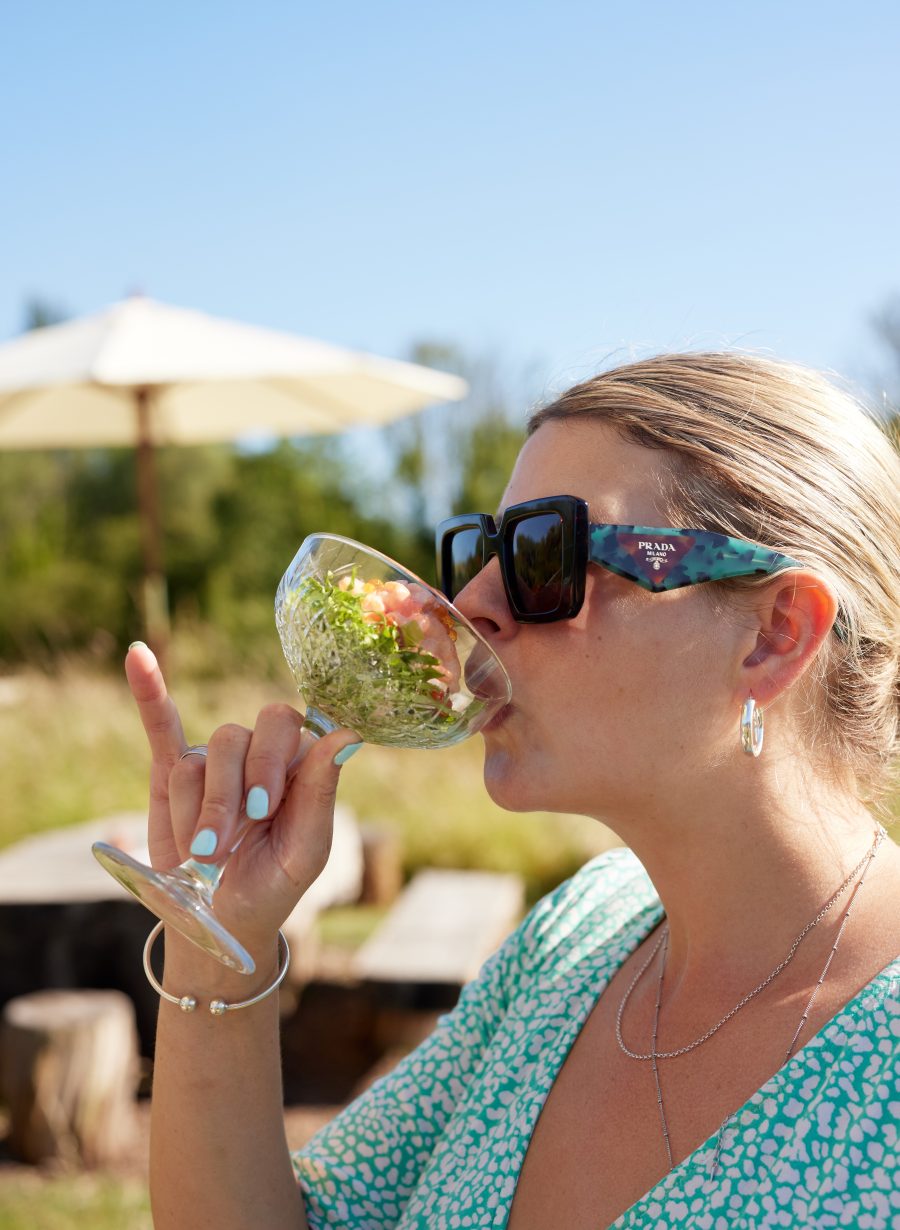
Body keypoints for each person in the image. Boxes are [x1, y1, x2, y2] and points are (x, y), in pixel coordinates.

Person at [127, 351, 900, 1230]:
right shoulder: (573, 945)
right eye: (479, 549)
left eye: (546, 552)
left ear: (774, 634)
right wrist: (220, 942)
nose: (471, 602)